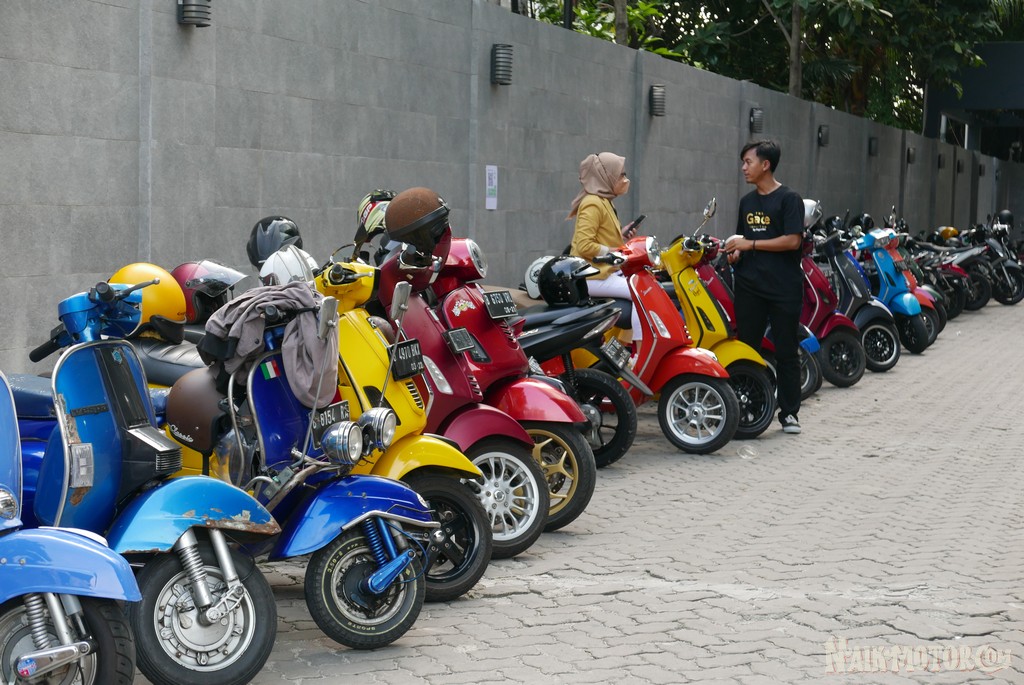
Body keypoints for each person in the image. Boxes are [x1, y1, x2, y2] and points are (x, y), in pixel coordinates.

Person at [724, 139, 804, 434]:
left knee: (786, 351)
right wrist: (736, 252)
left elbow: (792, 240)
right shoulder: (747, 202)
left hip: (784, 288)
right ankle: (748, 410)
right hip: (749, 287)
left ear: (765, 164)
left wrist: (751, 244)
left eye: (748, 162)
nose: (743, 168)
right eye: (743, 162)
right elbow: (741, 240)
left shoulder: (789, 199)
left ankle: (790, 413)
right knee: (747, 350)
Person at [568, 152, 643, 341]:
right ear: (607, 176)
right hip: (592, 275)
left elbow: (601, 239)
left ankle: (625, 345)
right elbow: (584, 245)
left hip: (606, 273)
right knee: (642, 293)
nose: (625, 180)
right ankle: (640, 349)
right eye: (621, 175)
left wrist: (621, 236)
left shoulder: (605, 201)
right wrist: (613, 251)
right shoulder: (592, 203)